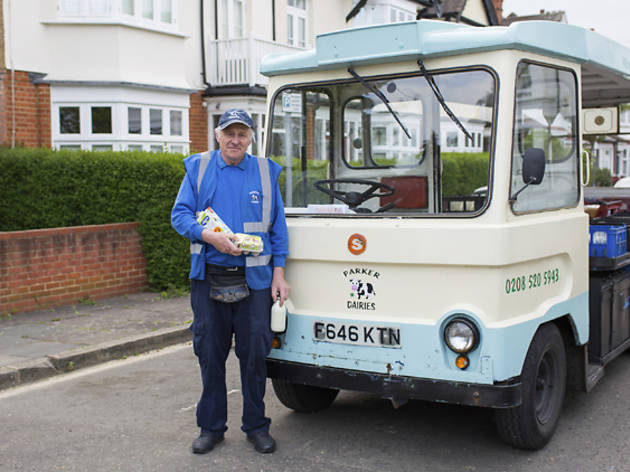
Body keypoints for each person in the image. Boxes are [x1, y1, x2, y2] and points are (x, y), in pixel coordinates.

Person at [171, 109, 290, 455]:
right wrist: (208, 235)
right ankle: (211, 428)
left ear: (251, 137)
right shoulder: (199, 167)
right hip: (208, 279)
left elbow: (278, 230)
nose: (235, 140)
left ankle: (256, 427)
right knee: (209, 354)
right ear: (218, 135)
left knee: (254, 356)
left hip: (255, 282)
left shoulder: (266, 172)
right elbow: (179, 215)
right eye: (229, 133)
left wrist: (279, 274)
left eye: (242, 134)